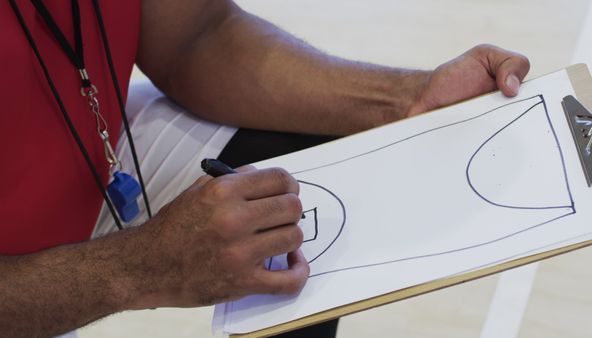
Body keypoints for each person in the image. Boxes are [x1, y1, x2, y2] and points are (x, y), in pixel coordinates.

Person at [0, 0, 530, 337]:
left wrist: (405, 100)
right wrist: (139, 269)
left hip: (92, 149)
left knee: (290, 192)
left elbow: (196, 37)